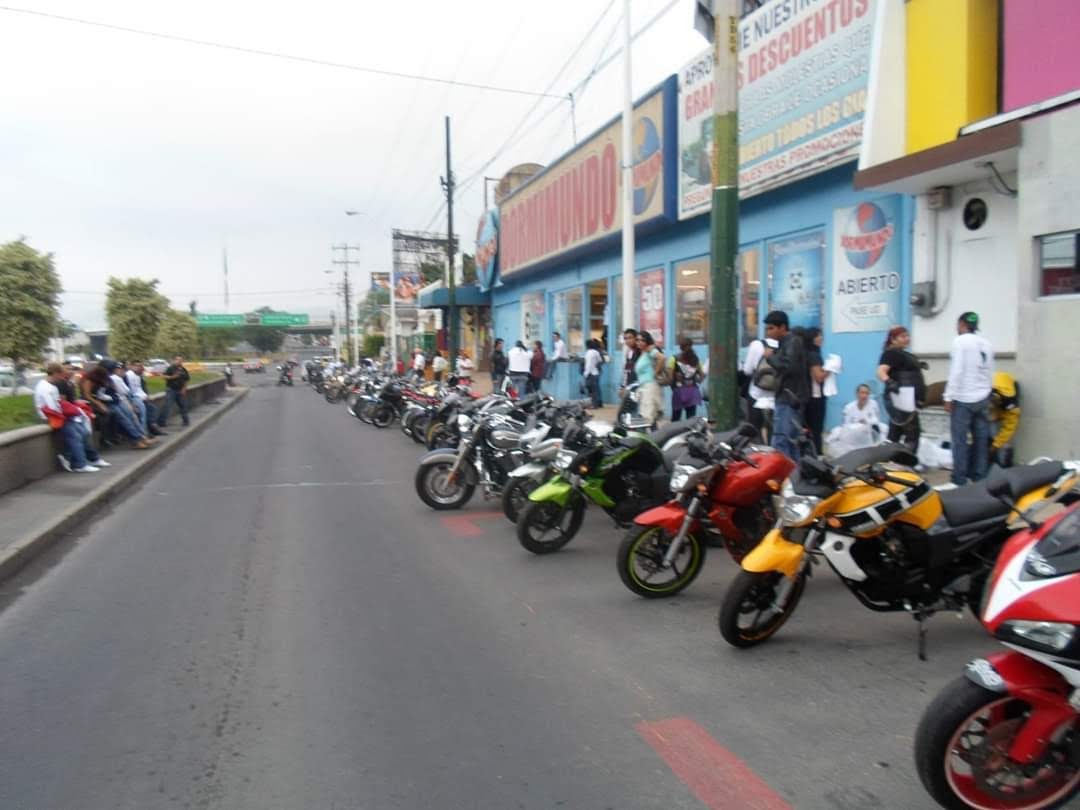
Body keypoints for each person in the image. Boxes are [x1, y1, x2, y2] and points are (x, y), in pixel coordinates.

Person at [944, 311, 994, 485]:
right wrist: (986, 392)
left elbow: (956, 371)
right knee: (981, 440)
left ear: (962, 324)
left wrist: (948, 396)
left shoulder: (960, 342)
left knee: (960, 441)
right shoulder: (986, 344)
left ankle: (959, 479)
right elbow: (989, 371)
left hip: (963, 399)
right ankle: (980, 477)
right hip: (983, 397)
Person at [34, 363, 108, 473]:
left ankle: (91, 458)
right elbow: (53, 407)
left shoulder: (48, 385)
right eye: (60, 375)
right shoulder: (47, 389)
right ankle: (79, 464)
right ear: (55, 373)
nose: (61, 378)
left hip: (58, 416)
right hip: (53, 417)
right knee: (75, 435)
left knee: (82, 433)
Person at [763, 310, 810, 461]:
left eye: (771, 328)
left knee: (782, 439)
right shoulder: (786, 343)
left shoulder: (793, 342)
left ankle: (786, 474)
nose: (768, 332)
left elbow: (788, 366)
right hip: (787, 397)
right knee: (791, 439)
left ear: (782, 327)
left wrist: (771, 358)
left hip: (789, 398)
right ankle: (794, 474)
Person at [741, 335, 772, 440]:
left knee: (755, 429)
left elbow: (747, 371)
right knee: (774, 430)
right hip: (777, 396)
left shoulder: (756, 345)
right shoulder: (784, 344)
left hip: (757, 394)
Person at [803, 328, 829, 454]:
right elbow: (818, 377)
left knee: (808, 429)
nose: (821, 338)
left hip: (807, 397)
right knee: (816, 430)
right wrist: (831, 368)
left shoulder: (806, 353)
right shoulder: (814, 355)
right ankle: (817, 454)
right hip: (815, 397)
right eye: (819, 336)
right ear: (813, 338)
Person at [988, 371, 1020, 468]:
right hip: (996, 384)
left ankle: (1003, 461)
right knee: (991, 430)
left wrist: (996, 445)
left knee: (1000, 438)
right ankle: (994, 460)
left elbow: (1009, 428)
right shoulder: (982, 394)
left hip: (1006, 389)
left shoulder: (1012, 407)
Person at [634, 330, 664, 426]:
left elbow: (662, 358)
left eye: (642, 340)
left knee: (647, 417)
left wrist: (656, 373)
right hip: (644, 387)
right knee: (648, 416)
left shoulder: (650, 351)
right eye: (637, 340)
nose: (639, 342)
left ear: (647, 341)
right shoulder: (643, 353)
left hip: (650, 387)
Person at [669, 338, 703, 421]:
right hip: (692, 392)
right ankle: (691, 433)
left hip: (679, 392)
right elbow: (701, 377)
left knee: (675, 419)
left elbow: (670, 378)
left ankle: (676, 433)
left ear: (680, 347)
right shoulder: (696, 360)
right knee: (691, 419)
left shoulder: (673, 359)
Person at [157, 355, 191, 429]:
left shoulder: (183, 369)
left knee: (183, 406)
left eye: (181, 360)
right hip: (171, 389)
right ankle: (161, 422)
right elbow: (163, 376)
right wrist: (173, 377)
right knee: (167, 406)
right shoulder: (170, 368)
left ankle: (186, 421)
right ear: (175, 360)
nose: (180, 362)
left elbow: (186, 380)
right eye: (178, 360)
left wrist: (184, 389)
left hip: (180, 390)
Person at [582, 339, 603, 407]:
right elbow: (600, 360)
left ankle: (593, 404)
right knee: (596, 389)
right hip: (596, 373)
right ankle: (598, 403)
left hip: (590, 374)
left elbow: (588, 365)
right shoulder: (596, 352)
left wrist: (586, 374)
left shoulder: (588, 353)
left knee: (591, 390)